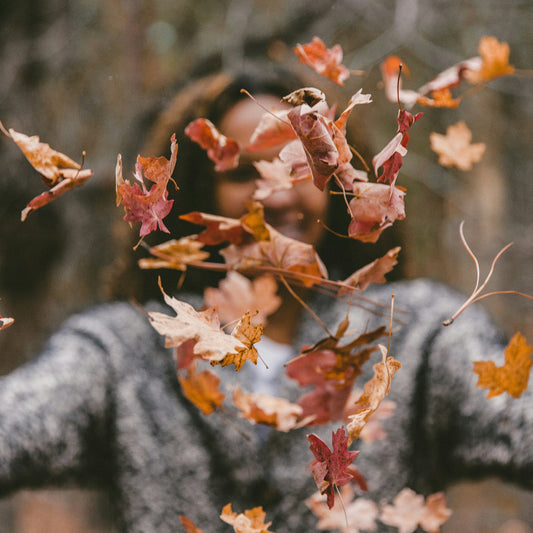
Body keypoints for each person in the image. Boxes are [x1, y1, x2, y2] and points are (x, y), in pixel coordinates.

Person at [0, 62, 532, 533]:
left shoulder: (416, 333)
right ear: (200, 194)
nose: (277, 194)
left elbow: (516, 421)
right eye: (242, 175)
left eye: (301, 166)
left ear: (340, 181)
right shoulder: (125, 348)